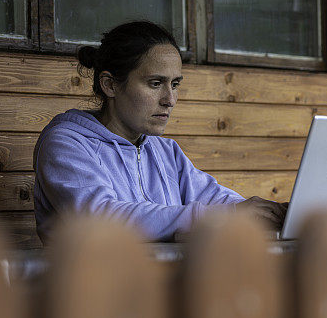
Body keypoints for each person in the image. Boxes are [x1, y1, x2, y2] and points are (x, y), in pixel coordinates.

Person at [33, 20, 287, 243]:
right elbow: (102, 219)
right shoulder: (66, 144)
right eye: (156, 83)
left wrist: (274, 213)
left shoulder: (165, 151)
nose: (170, 99)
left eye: (175, 85)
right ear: (110, 85)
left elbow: (215, 199)